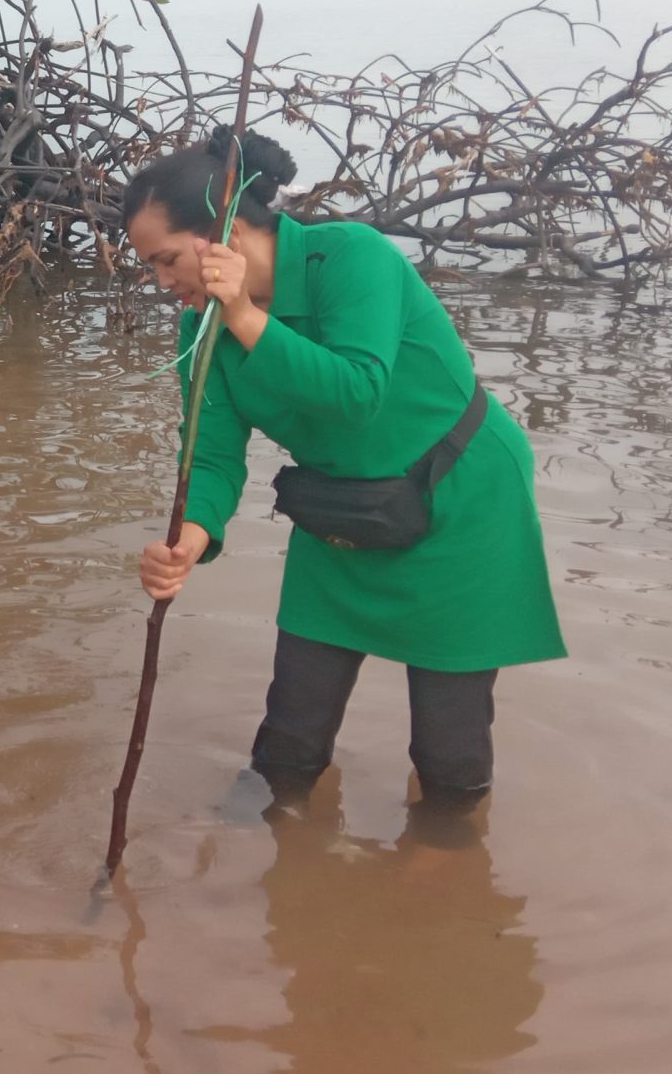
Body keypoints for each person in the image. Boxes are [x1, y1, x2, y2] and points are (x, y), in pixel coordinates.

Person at [126, 127, 565, 818]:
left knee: (448, 745)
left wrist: (242, 314)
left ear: (227, 234)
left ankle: (446, 859)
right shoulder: (199, 331)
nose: (160, 282)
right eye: (148, 267)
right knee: (290, 734)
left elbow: (356, 393)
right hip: (341, 504)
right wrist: (192, 536)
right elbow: (211, 455)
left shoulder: (351, 258)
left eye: (167, 259)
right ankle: (272, 853)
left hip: (461, 495)